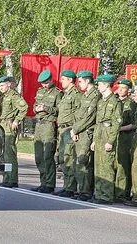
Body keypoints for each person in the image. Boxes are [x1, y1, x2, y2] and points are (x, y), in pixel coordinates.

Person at [90, 74, 122, 204]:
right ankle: (99, 193)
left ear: (106, 85)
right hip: (99, 134)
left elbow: (117, 123)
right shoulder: (101, 101)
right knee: (98, 165)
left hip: (108, 134)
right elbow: (98, 122)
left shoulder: (114, 102)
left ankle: (107, 196)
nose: (98, 86)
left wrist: (111, 141)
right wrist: (94, 140)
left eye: (100, 84)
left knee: (107, 166)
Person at [0, 76, 28, 188]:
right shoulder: (4, 96)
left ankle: (12, 179)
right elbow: (1, 110)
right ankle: (6, 178)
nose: (0, 88)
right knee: (4, 154)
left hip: (9, 125)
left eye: (2, 85)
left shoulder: (13, 95)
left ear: (8, 84)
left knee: (10, 153)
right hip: (3, 124)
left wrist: (17, 121)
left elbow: (24, 107)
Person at [70, 70, 100, 201]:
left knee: (83, 162)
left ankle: (86, 191)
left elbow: (89, 117)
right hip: (79, 132)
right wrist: (74, 130)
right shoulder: (85, 95)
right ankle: (81, 189)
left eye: (81, 81)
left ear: (88, 81)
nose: (79, 84)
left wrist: (76, 129)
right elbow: (77, 114)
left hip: (87, 132)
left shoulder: (95, 95)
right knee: (78, 162)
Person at [32, 70, 62, 193]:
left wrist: (45, 108)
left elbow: (59, 110)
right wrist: (36, 109)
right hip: (39, 124)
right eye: (42, 83)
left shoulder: (57, 93)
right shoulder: (40, 91)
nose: (44, 85)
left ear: (51, 80)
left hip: (49, 125)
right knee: (39, 156)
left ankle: (49, 184)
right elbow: (34, 106)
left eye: (46, 83)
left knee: (47, 156)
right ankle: (43, 182)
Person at [54, 70, 80, 198]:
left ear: (70, 80)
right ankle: (66, 186)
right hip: (62, 129)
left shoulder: (75, 94)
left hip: (69, 129)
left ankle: (71, 188)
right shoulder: (65, 94)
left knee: (69, 158)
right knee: (63, 159)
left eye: (64, 79)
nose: (61, 81)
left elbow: (78, 114)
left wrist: (75, 130)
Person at [114, 79, 137, 202]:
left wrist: (119, 129)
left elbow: (135, 124)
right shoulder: (115, 101)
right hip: (114, 137)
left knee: (123, 165)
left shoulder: (131, 104)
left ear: (128, 90)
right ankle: (114, 189)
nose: (120, 90)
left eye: (123, 88)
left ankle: (122, 193)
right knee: (114, 164)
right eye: (119, 87)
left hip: (125, 137)